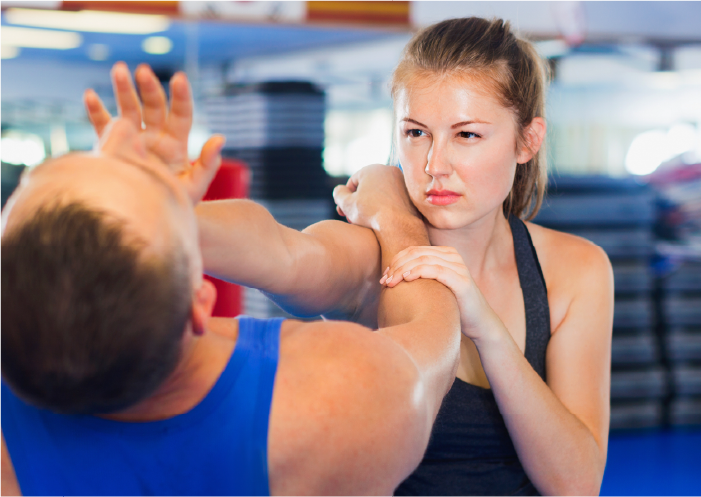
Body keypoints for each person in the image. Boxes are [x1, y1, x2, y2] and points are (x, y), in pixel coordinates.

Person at [89, 17, 613, 497]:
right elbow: (286, 253)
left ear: (527, 140)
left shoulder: (574, 271)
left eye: (467, 135)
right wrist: (168, 214)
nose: (434, 164)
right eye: (415, 134)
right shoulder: (371, 252)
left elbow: (577, 483)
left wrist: (489, 332)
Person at [0, 67, 463, 497]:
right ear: (200, 303)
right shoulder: (334, 400)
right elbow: (434, 346)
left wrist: (154, 210)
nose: (121, 136)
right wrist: (394, 215)